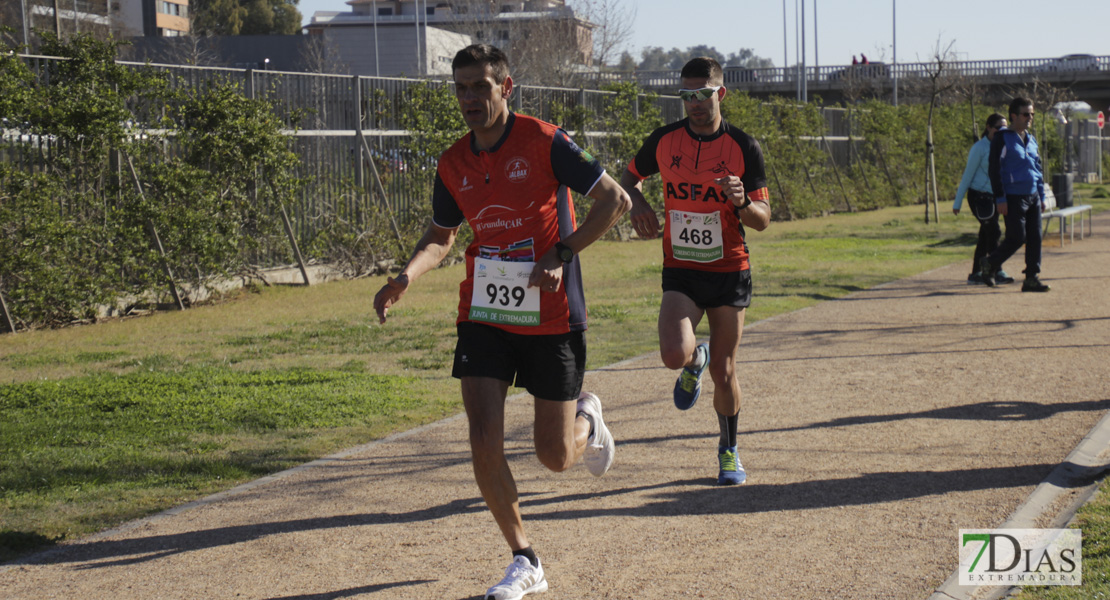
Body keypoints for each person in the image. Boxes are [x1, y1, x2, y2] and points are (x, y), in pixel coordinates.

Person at [373, 44, 632, 599]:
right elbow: (442, 238)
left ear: (505, 88)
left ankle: (587, 417)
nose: (469, 98)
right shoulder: (452, 162)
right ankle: (525, 558)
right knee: (483, 435)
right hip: (485, 313)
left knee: (555, 456)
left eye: (480, 87)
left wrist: (562, 254)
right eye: (461, 88)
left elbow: (614, 200)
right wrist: (404, 277)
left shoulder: (544, 140)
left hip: (552, 313)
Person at [621, 57, 771, 486]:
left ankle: (729, 450)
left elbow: (763, 218)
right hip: (682, 270)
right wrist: (641, 204)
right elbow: (627, 180)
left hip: (728, 269)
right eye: (686, 96)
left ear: (719, 94)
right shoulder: (664, 141)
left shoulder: (744, 146)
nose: (694, 104)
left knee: (725, 372)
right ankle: (692, 362)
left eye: (702, 95)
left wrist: (743, 202)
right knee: (672, 355)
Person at [980, 97, 1050, 292]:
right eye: (1026, 114)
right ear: (1014, 116)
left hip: (1032, 195)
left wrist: (1041, 195)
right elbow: (995, 169)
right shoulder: (1003, 138)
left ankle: (1031, 278)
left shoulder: (1031, 139)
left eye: (1032, 114)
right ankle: (990, 263)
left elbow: (1037, 169)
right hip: (1013, 196)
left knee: (1035, 237)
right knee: (1017, 237)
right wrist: (1000, 197)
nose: (1030, 118)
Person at [953, 113, 1014, 285]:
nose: (1001, 131)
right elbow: (967, 176)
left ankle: (976, 273)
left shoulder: (1005, 146)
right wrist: (957, 202)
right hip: (979, 197)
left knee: (985, 234)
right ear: (988, 128)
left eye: (1005, 128)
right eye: (998, 128)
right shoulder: (979, 148)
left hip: (994, 197)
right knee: (994, 232)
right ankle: (996, 270)